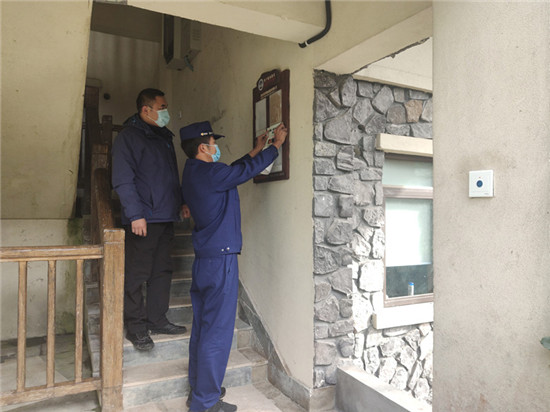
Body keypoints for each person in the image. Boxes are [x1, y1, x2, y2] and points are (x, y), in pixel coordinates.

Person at [179, 121, 287, 412]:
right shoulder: (212, 173)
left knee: (203, 328)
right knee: (217, 332)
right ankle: (205, 402)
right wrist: (275, 146)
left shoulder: (193, 172)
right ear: (203, 148)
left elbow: (232, 172)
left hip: (205, 260)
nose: (217, 148)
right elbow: (242, 172)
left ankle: (199, 390)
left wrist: (254, 150)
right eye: (214, 143)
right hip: (221, 261)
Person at [112, 88, 188, 352]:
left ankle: (157, 319)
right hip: (143, 218)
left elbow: (169, 177)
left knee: (162, 271)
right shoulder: (129, 137)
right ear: (146, 109)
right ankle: (136, 327)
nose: (166, 112)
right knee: (137, 274)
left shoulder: (164, 136)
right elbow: (123, 179)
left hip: (165, 215)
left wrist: (181, 203)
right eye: (162, 107)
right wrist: (135, 215)